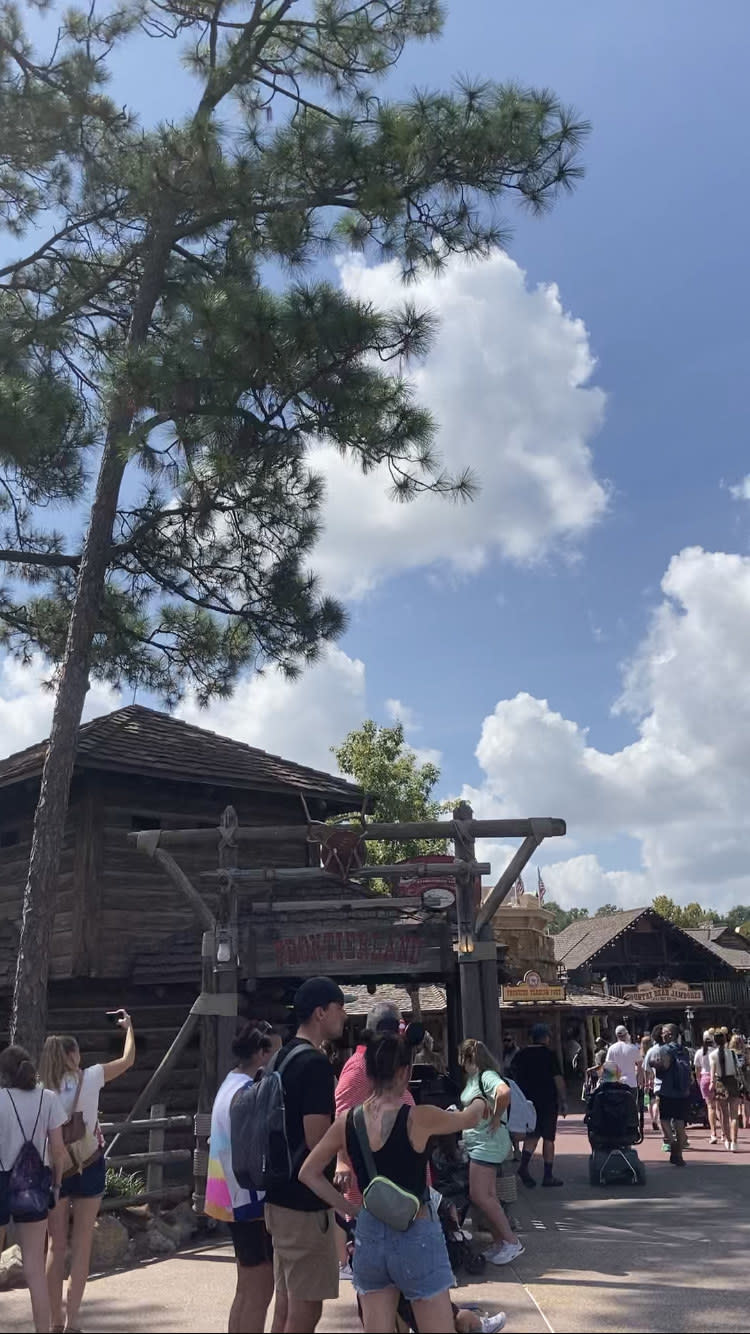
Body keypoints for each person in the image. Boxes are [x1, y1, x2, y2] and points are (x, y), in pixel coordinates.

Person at [298, 1030, 499, 1334]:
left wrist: (348, 1209)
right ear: (405, 1071)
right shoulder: (419, 1117)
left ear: (369, 1072)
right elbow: (468, 1119)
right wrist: (482, 1100)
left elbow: (308, 1172)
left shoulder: (347, 1121)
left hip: (369, 1233)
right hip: (416, 1233)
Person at [40, 1010, 136, 1334]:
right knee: (81, 1244)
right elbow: (127, 1060)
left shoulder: (42, 1090)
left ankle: (54, 1322)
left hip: (54, 1170)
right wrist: (128, 1029)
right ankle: (73, 1323)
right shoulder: (91, 1077)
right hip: (90, 1164)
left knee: (55, 1246)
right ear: (72, 1055)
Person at [263, 977, 347, 1334]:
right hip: (304, 1204)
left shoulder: (281, 1056)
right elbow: (317, 1138)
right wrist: (346, 1136)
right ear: (321, 1012)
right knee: (306, 1312)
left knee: (284, 1305)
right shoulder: (314, 1063)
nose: (343, 1015)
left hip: (277, 1195)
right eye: (340, 1008)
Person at [205, 1020, 287, 1334]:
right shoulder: (249, 1091)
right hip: (247, 1195)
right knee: (260, 1288)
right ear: (262, 1053)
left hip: (227, 1193)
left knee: (246, 1285)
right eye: (275, 1051)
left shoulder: (230, 1082)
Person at [0, 1045, 66, 1334]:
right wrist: (57, 1183)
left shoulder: (0, 1100)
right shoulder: (48, 1099)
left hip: (1, 1180)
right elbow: (59, 1150)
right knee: (34, 1271)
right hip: (35, 1184)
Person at [459, 1038, 523, 1265]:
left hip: (488, 1143)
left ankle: (511, 1240)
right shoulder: (478, 1078)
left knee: (480, 1195)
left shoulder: (486, 1076)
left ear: (468, 1058)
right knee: (488, 1196)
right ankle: (501, 1241)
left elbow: (504, 1093)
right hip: (480, 1143)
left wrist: (496, 1117)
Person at [511, 1024, 566, 1188]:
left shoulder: (520, 1055)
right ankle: (548, 1175)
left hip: (527, 1102)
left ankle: (523, 1166)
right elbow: (558, 1079)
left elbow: (512, 1076)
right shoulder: (549, 1055)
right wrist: (563, 1100)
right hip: (548, 1101)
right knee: (548, 1138)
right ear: (546, 1038)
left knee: (532, 1136)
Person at [654, 1023, 691, 1166]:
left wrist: (655, 1064)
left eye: (664, 1032)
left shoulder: (664, 1050)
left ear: (670, 1034)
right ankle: (679, 1154)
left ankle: (673, 1143)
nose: (661, 1035)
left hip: (667, 1091)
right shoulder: (685, 1050)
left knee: (664, 1120)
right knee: (680, 1123)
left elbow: (664, 1067)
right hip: (682, 1091)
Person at [710, 1028, 741, 1152]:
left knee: (723, 1115)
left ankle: (727, 1139)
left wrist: (711, 1084)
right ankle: (734, 1141)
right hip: (732, 1082)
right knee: (734, 1115)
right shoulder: (732, 1053)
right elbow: (738, 1069)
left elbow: (712, 1073)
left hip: (720, 1083)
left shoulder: (713, 1055)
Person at [694, 1031, 717, 1144]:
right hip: (717, 1078)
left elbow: (697, 1070)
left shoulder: (699, 1052)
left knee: (710, 1107)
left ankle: (713, 1133)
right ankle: (724, 1133)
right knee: (721, 1108)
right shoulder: (716, 1051)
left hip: (704, 1078)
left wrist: (699, 1082)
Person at [605, 1026, 642, 1090]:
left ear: (616, 1036)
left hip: (617, 1085)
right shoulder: (633, 1048)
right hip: (631, 1084)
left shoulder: (611, 1049)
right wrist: (640, 1080)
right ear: (626, 1034)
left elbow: (608, 1069)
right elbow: (640, 1064)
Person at [641, 1026, 663, 1135]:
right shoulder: (657, 1050)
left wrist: (645, 1083)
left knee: (648, 1102)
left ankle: (652, 1118)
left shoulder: (646, 1053)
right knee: (656, 1102)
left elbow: (645, 1069)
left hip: (649, 1081)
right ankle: (655, 1119)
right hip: (657, 1080)